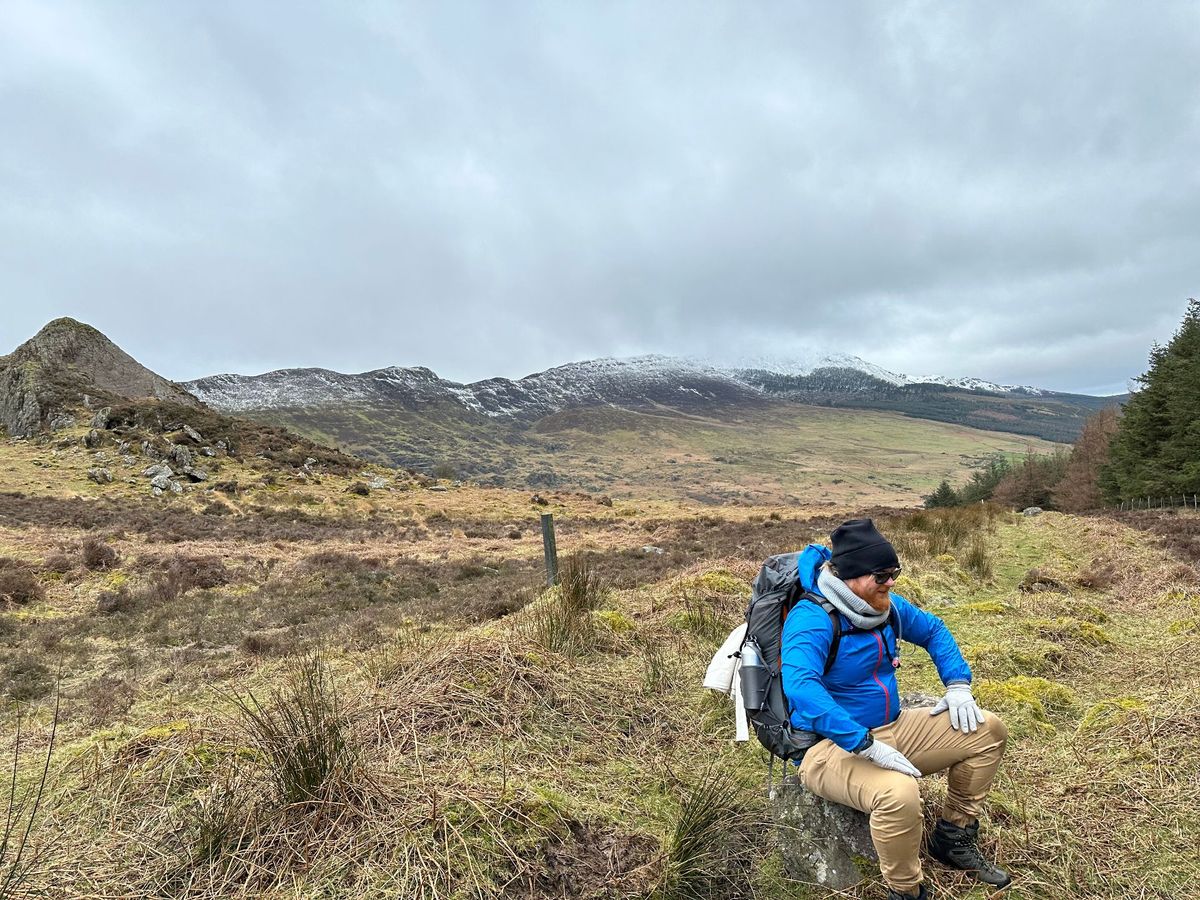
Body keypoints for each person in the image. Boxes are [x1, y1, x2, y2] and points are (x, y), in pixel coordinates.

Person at [781, 519, 1011, 900]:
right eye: (882, 575)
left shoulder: (884, 606)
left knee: (988, 731)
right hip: (826, 748)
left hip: (892, 726)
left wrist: (957, 684)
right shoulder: (811, 620)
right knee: (898, 794)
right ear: (850, 577)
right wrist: (863, 743)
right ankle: (906, 891)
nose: (891, 582)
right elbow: (802, 688)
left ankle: (953, 836)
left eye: (895, 572)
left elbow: (933, 630)